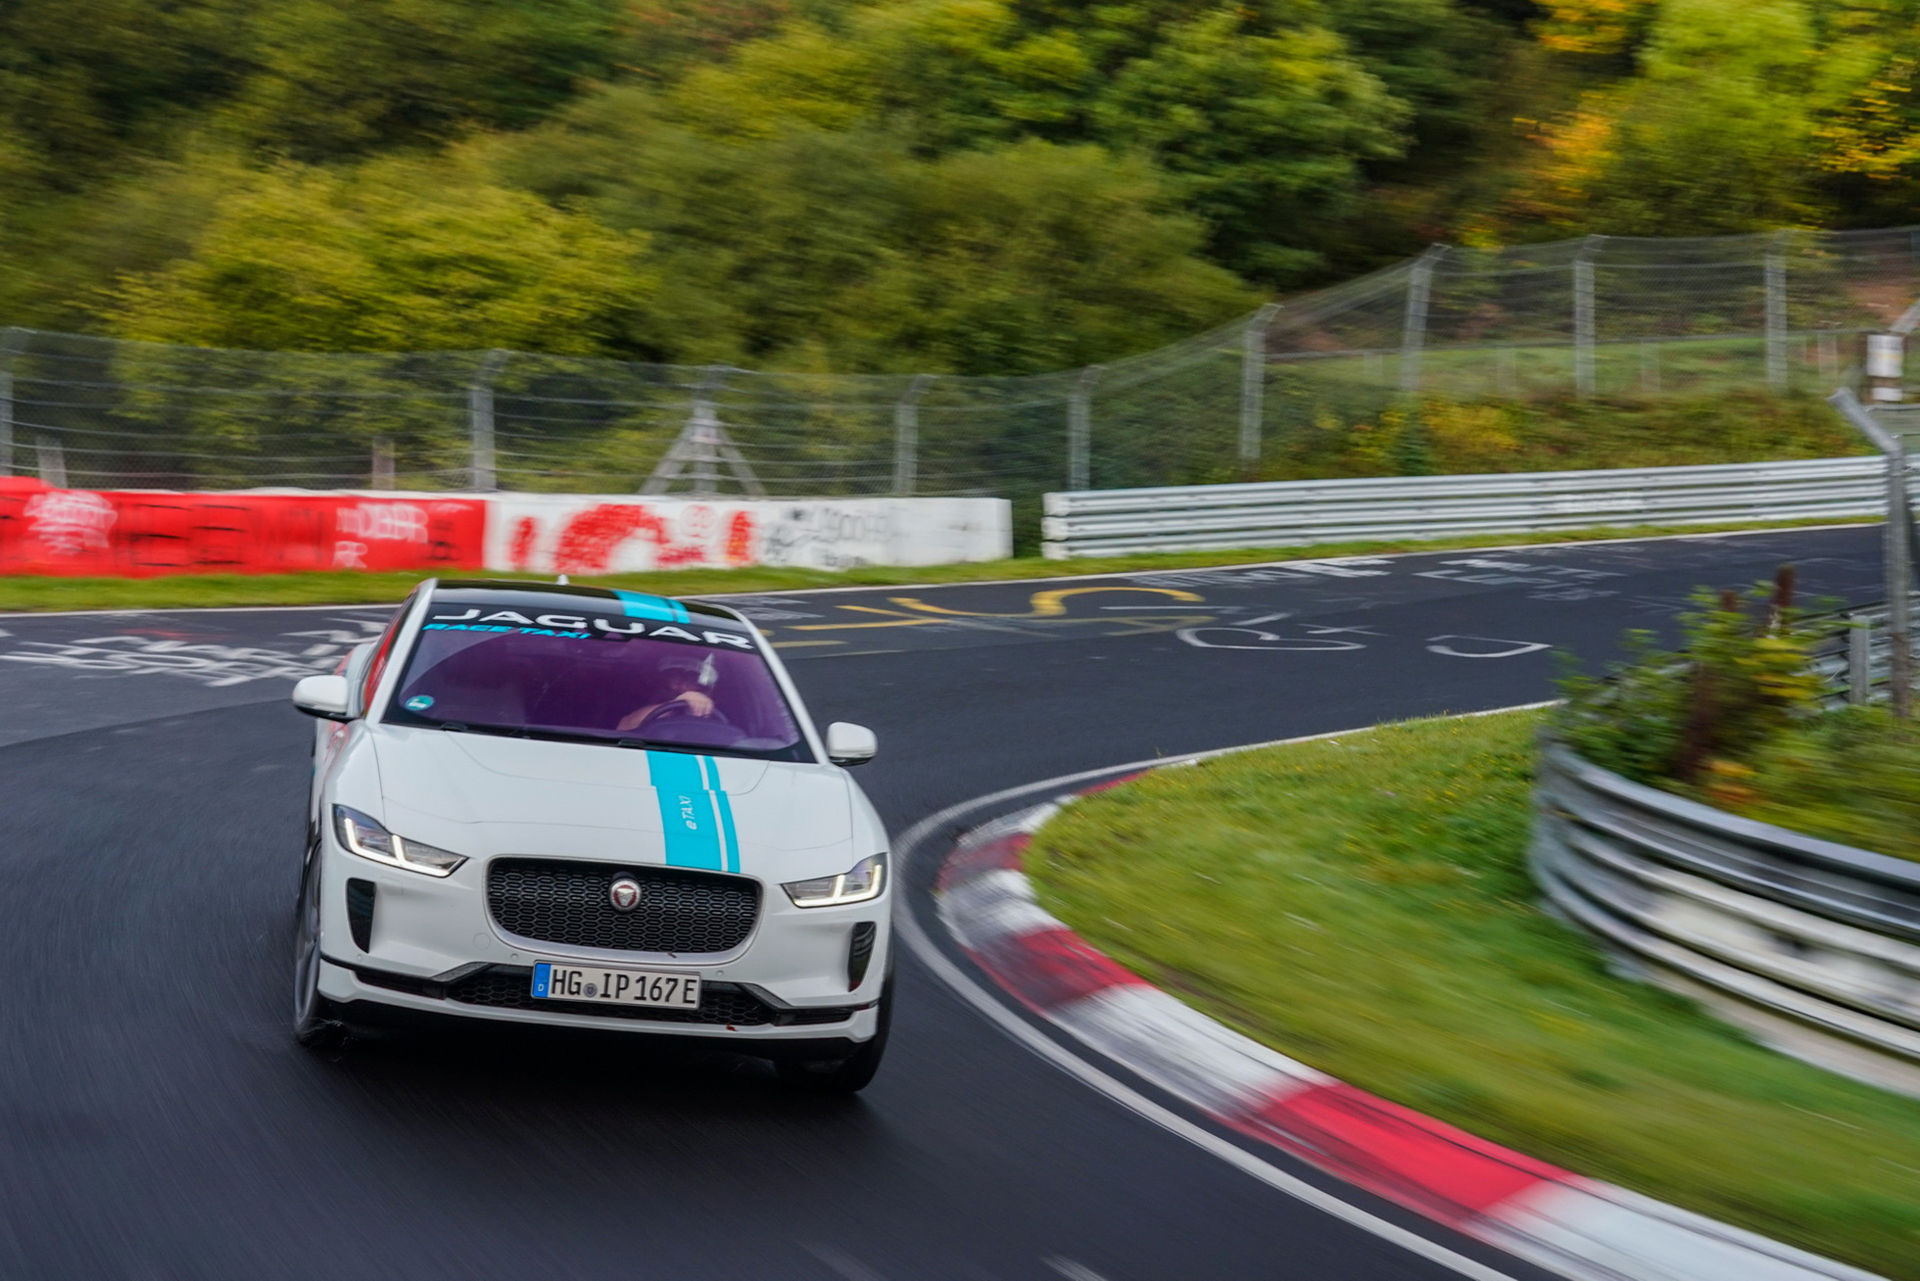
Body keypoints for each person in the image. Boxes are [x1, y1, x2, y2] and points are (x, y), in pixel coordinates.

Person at [616, 656, 716, 732]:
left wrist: (702, 708)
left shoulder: (718, 711)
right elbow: (624, 727)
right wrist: (673, 704)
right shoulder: (637, 699)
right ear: (663, 679)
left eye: (691, 678)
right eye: (675, 675)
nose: (682, 684)